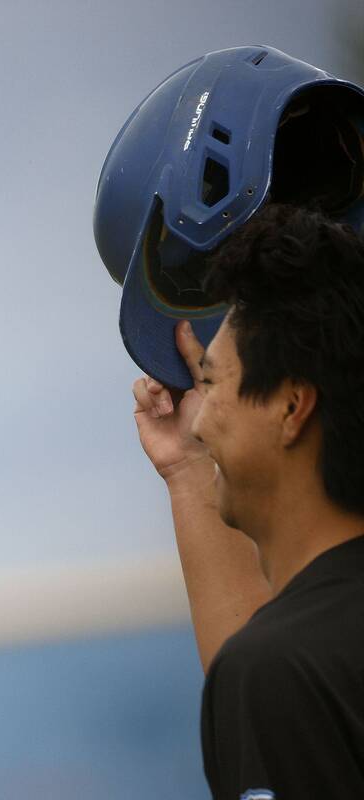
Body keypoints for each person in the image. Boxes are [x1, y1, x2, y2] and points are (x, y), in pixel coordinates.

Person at [130, 204, 364, 799]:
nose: (201, 420)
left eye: (214, 383)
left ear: (291, 407)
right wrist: (188, 472)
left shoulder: (278, 670)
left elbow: (276, 663)